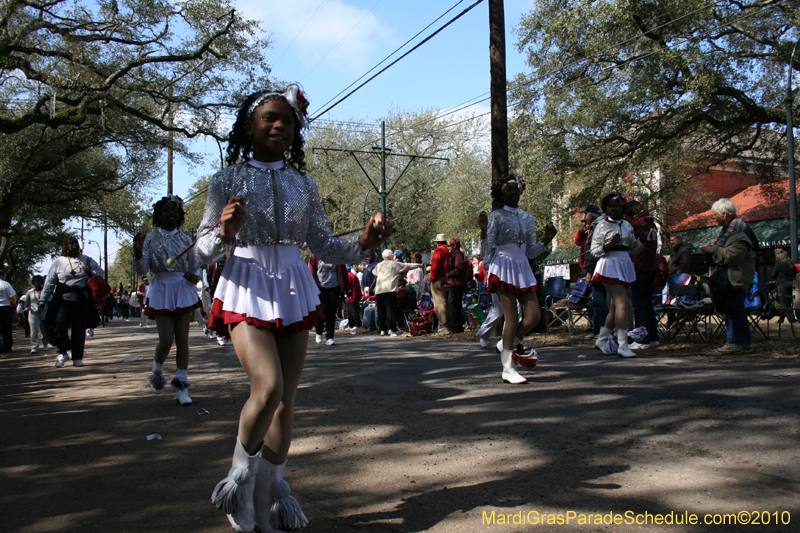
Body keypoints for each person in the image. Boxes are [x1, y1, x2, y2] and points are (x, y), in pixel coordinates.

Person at [196, 85, 390, 533]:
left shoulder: (305, 184)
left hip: (294, 284)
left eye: (287, 120)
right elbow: (201, 252)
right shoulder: (226, 179)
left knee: (286, 401)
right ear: (250, 126)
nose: (280, 125)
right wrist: (225, 232)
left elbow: (322, 244)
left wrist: (364, 244)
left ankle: (266, 501)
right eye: (269, 118)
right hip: (246, 281)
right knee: (267, 386)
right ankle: (239, 483)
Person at [485, 175, 556, 383]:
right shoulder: (496, 216)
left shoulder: (528, 218)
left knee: (534, 316)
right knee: (511, 317)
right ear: (502, 193)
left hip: (523, 266)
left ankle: (507, 343)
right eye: (509, 189)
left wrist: (546, 240)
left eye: (516, 189)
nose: (514, 192)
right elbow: (489, 245)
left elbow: (531, 251)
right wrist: (490, 268)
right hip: (502, 265)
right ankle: (508, 368)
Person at [134, 196, 202, 405]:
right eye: (166, 210)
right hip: (161, 288)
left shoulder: (186, 240)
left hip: (182, 288)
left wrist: (194, 276)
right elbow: (142, 270)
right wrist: (137, 251)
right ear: (159, 214)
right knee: (166, 340)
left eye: (175, 210)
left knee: (183, 339)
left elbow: (196, 266)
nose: (171, 213)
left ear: (180, 214)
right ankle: (157, 371)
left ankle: (181, 385)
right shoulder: (151, 239)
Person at [699, 198, 757, 354]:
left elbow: (731, 256)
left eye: (715, 215)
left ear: (725, 214)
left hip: (736, 279)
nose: (714, 218)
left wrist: (713, 250)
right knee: (730, 310)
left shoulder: (739, 233)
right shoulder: (730, 231)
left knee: (736, 310)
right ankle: (733, 341)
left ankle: (741, 342)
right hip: (730, 279)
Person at [590, 193, 644, 358]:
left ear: (622, 207)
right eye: (610, 206)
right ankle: (623, 345)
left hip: (625, 263)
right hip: (609, 265)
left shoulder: (627, 225)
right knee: (622, 304)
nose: (613, 208)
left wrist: (643, 239)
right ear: (606, 208)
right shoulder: (601, 225)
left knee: (615, 308)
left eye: (616, 205)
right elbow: (594, 251)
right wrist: (608, 246)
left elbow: (634, 248)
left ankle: (602, 338)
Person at [41, 237, 104, 367]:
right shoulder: (59, 262)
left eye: (76, 243)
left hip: (82, 300)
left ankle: (77, 357)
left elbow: (100, 272)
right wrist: (43, 300)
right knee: (60, 324)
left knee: (79, 328)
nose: (75, 245)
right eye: (71, 243)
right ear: (66, 246)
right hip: (64, 299)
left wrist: (90, 272)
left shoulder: (86, 260)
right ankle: (63, 352)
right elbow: (50, 283)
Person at [625, 200, 660, 349]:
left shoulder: (636, 225)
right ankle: (653, 337)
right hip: (651, 267)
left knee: (639, 305)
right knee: (647, 304)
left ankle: (641, 339)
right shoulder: (651, 224)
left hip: (639, 267)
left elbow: (632, 247)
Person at [576, 204, 608, 340]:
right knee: (593, 301)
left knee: (600, 301)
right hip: (587, 268)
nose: (584, 218)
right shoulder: (590, 230)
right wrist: (582, 231)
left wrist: (589, 271)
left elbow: (593, 252)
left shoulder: (598, 228)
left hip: (595, 269)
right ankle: (596, 328)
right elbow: (579, 243)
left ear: (591, 215)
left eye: (586, 215)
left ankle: (602, 329)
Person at [373, 249, 421, 336]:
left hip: (379, 290)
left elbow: (374, 272)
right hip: (390, 289)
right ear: (391, 256)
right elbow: (407, 266)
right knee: (390, 310)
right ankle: (391, 329)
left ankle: (383, 329)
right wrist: (418, 265)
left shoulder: (379, 265)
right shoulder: (394, 264)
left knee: (381, 310)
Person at [307, 255, 350, 346]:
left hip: (334, 287)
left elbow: (343, 273)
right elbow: (310, 272)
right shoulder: (315, 256)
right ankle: (319, 331)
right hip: (320, 287)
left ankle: (330, 337)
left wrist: (347, 288)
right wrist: (309, 287)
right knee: (323, 311)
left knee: (332, 311)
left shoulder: (337, 255)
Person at [17, 275, 49, 353]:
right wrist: (29, 307)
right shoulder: (30, 292)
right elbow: (27, 303)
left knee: (44, 330)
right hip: (33, 313)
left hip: (44, 312)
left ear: (42, 282)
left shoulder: (45, 291)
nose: (37, 283)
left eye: (39, 281)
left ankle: (45, 344)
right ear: (33, 282)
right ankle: (34, 347)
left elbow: (50, 300)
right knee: (34, 330)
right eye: (36, 281)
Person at [445, 237, 470, 334]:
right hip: (456, 283)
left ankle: (456, 327)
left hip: (455, 284)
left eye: (449, 246)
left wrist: (449, 274)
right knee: (455, 305)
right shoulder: (458, 255)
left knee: (453, 305)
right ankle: (457, 327)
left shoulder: (458, 255)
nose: (448, 248)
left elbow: (459, 269)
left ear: (455, 246)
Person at [430, 233, 452, 333]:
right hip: (450, 278)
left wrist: (432, 278)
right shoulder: (451, 250)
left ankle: (443, 325)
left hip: (439, 278)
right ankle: (450, 324)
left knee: (440, 302)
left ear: (438, 242)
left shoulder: (439, 250)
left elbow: (435, 265)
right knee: (448, 301)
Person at [771, 249, 797, 325]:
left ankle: (792, 320)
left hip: (782, 284)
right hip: (791, 283)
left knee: (784, 302)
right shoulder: (791, 264)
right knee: (788, 301)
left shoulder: (779, 264)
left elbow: (772, 275)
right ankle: (781, 318)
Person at [0, 269, 17, 353]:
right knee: (6, 328)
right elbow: (12, 296)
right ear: (1, 275)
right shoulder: (5, 284)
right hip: (5, 307)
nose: (5, 277)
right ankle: (7, 346)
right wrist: (13, 303)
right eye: (5, 276)